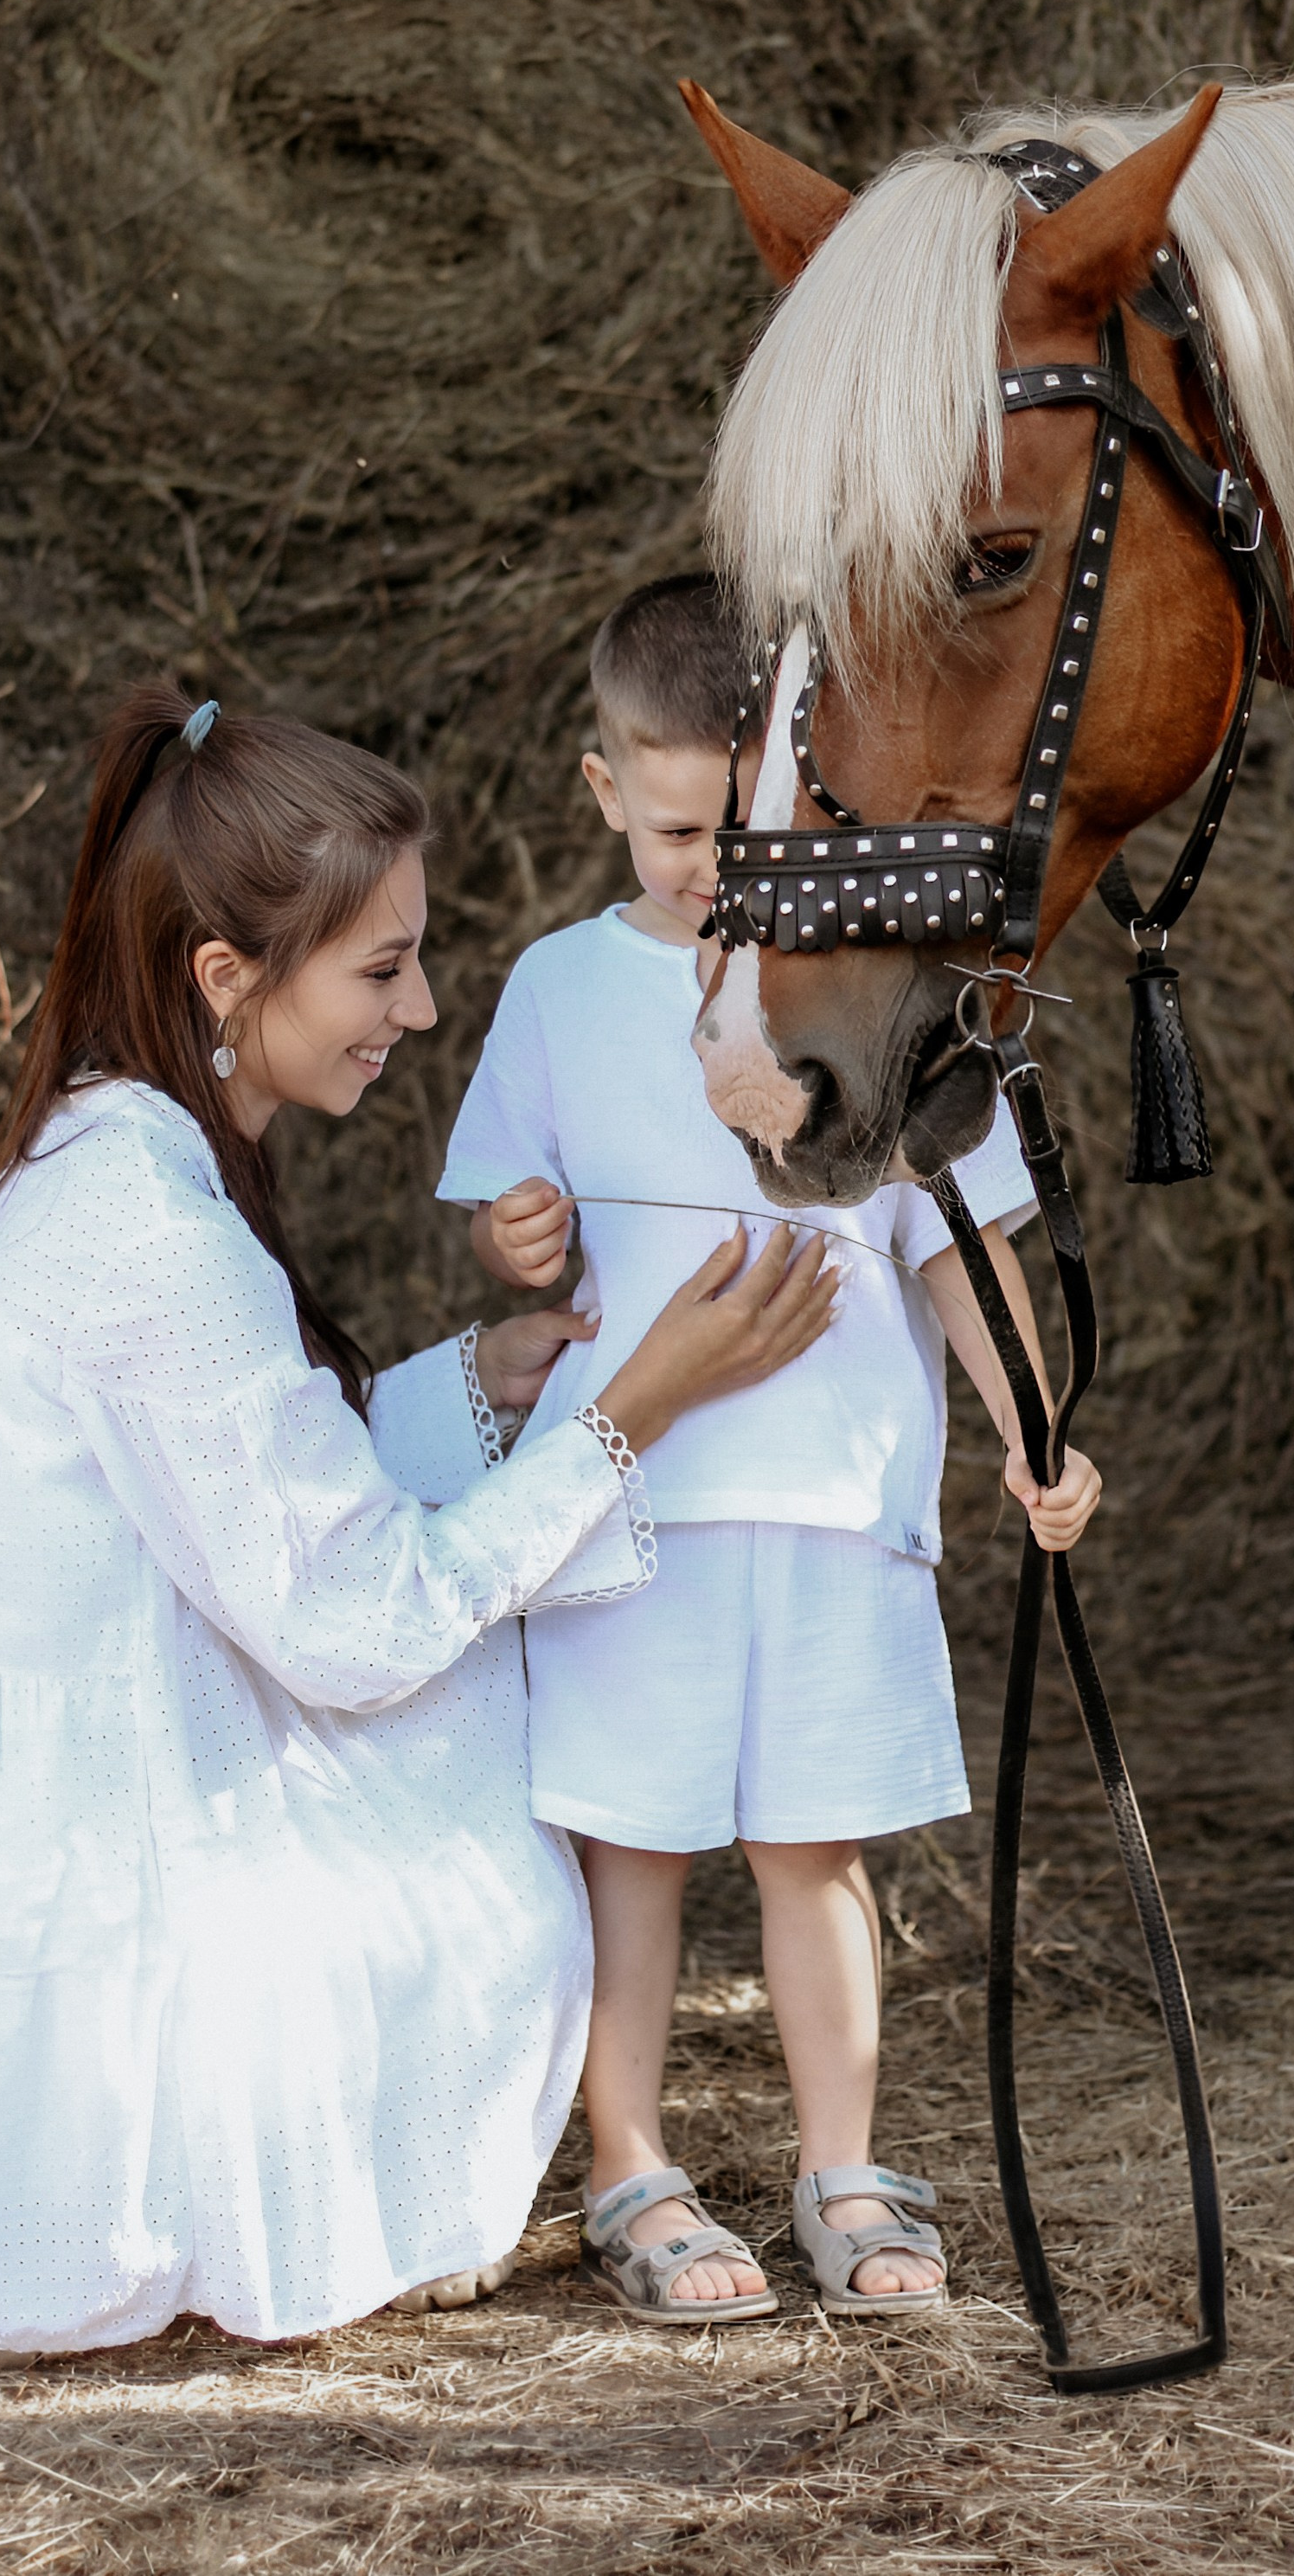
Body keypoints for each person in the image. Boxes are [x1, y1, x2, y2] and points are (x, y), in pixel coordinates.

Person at [0, 684, 836, 2367]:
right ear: (227, 976)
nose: (418, 1008)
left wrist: (481, 1375)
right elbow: (354, 1623)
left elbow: (243, 1470)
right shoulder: (152, 1232)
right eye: (379, 967)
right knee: (498, 1848)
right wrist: (640, 1410)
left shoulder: (93, 1154)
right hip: (32, 1865)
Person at [440, 577, 1102, 2326]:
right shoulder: (561, 984)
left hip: (831, 1495)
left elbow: (962, 1241)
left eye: (739, 821)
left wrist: (1041, 1429)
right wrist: (519, 1238)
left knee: (821, 1847)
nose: (704, 859)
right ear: (602, 794)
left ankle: (841, 2159)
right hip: (636, 1498)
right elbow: (520, 1227)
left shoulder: (876, 987)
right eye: (670, 828)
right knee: (630, 1849)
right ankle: (630, 2160)